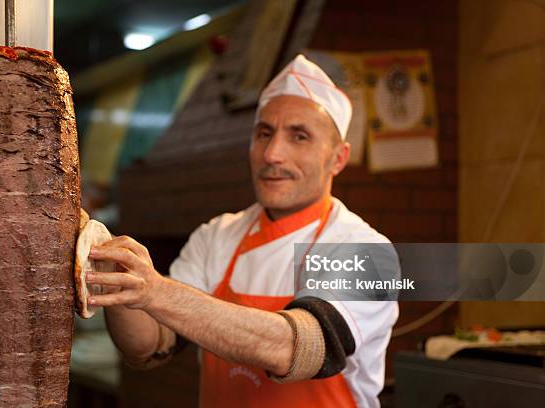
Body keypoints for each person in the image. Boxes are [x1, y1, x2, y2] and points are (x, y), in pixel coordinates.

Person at [87, 54, 399, 408]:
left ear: (338, 158)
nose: (273, 154)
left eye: (299, 136)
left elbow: (300, 348)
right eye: (264, 133)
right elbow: (150, 346)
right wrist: (124, 287)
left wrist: (156, 291)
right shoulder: (217, 236)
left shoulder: (366, 251)